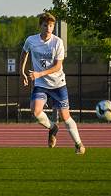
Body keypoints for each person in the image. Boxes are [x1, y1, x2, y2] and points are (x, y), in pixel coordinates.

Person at [20, 12, 85, 154]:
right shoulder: (31, 40)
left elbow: (57, 66)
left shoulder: (58, 42)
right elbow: (24, 53)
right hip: (41, 85)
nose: (49, 28)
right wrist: (22, 72)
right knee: (35, 112)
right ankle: (53, 128)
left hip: (58, 84)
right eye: (46, 25)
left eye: (51, 26)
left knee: (65, 116)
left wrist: (39, 74)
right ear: (40, 26)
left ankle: (79, 144)